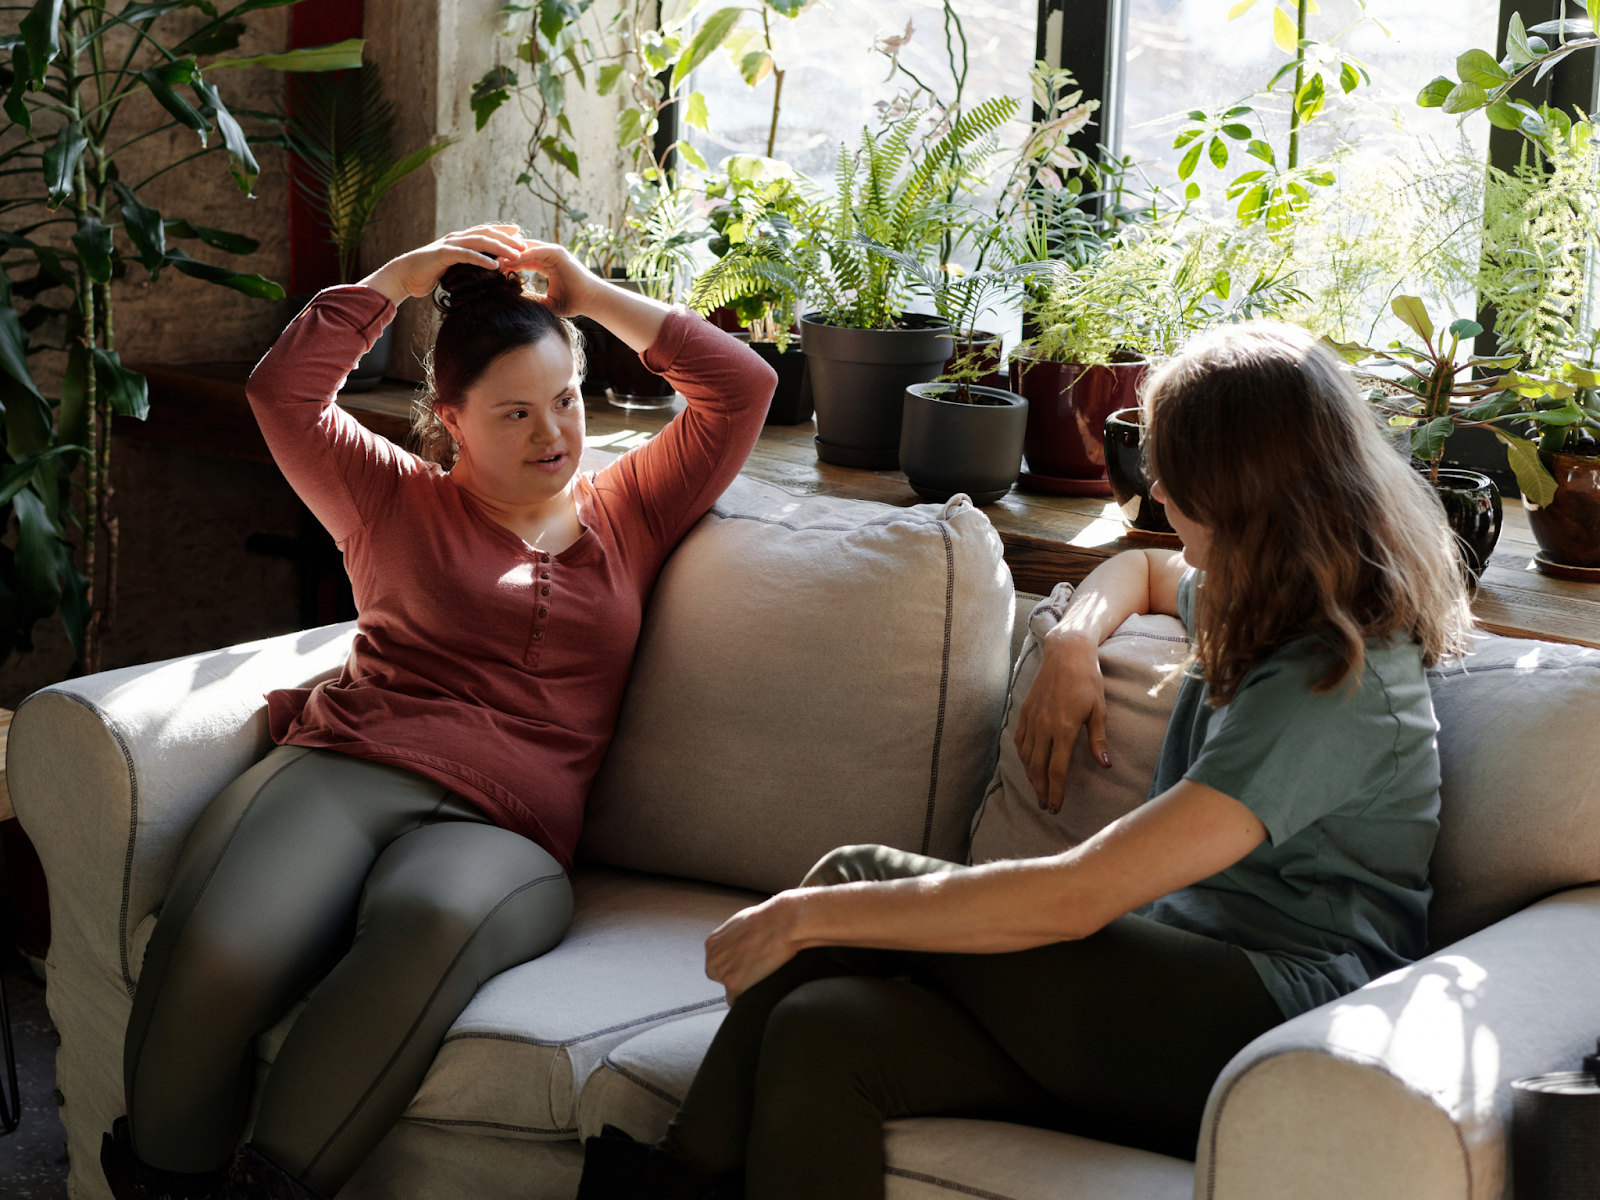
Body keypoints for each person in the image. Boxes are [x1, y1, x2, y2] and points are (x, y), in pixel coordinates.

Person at [576, 320, 1475, 1200]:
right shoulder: (1269, 597)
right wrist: (1073, 642)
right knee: (827, 1032)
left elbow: (1080, 894)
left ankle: (661, 1184)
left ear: (1241, 493)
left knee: (849, 883)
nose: (1157, 498)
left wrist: (807, 917)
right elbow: (1149, 576)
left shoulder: (1331, 681)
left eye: (1170, 476)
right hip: (1171, 996)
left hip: (1272, 1020)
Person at [98, 225, 776, 1200]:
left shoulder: (631, 510)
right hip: (345, 765)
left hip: (508, 826)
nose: (554, 436)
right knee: (217, 950)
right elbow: (279, 394)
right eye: (515, 414)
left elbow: (741, 387)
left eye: (567, 400)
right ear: (450, 418)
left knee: (434, 918)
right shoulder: (389, 497)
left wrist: (589, 295)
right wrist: (396, 280)